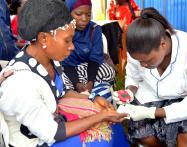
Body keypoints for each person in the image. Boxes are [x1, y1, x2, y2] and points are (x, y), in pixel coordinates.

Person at [0, 0, 128, 146]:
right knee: (102, 139)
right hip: (38, 141)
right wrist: (100, 116)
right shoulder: (21, 82)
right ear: (43, 38)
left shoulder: (50, 60)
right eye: (67, 41)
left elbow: (60, 93)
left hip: (54, 123)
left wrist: (93, 98)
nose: (72, 47)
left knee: (112, 126)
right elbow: (53, 133)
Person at [113, 7, 187, 147]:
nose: (142, 65)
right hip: (149, 97)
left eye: (147, 60)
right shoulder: (137, 48)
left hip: (185, 102)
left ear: (163, 44)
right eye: (138, 61)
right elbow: (133, 77)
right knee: (143, 136)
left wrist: (152, 112)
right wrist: (129, 91)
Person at [63, 0, 116, 100]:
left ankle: (90, 93)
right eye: (79, 14)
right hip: (68, 70)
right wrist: (76, 83)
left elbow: (95, 59)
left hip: (89, 69)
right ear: (68, 13)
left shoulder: (94, 29)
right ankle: (87, 94)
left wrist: (90, 81)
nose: (84, 19)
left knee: (108, 71)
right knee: (61, 80)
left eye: (88, 14)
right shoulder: (62, 31)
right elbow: (65, 63)